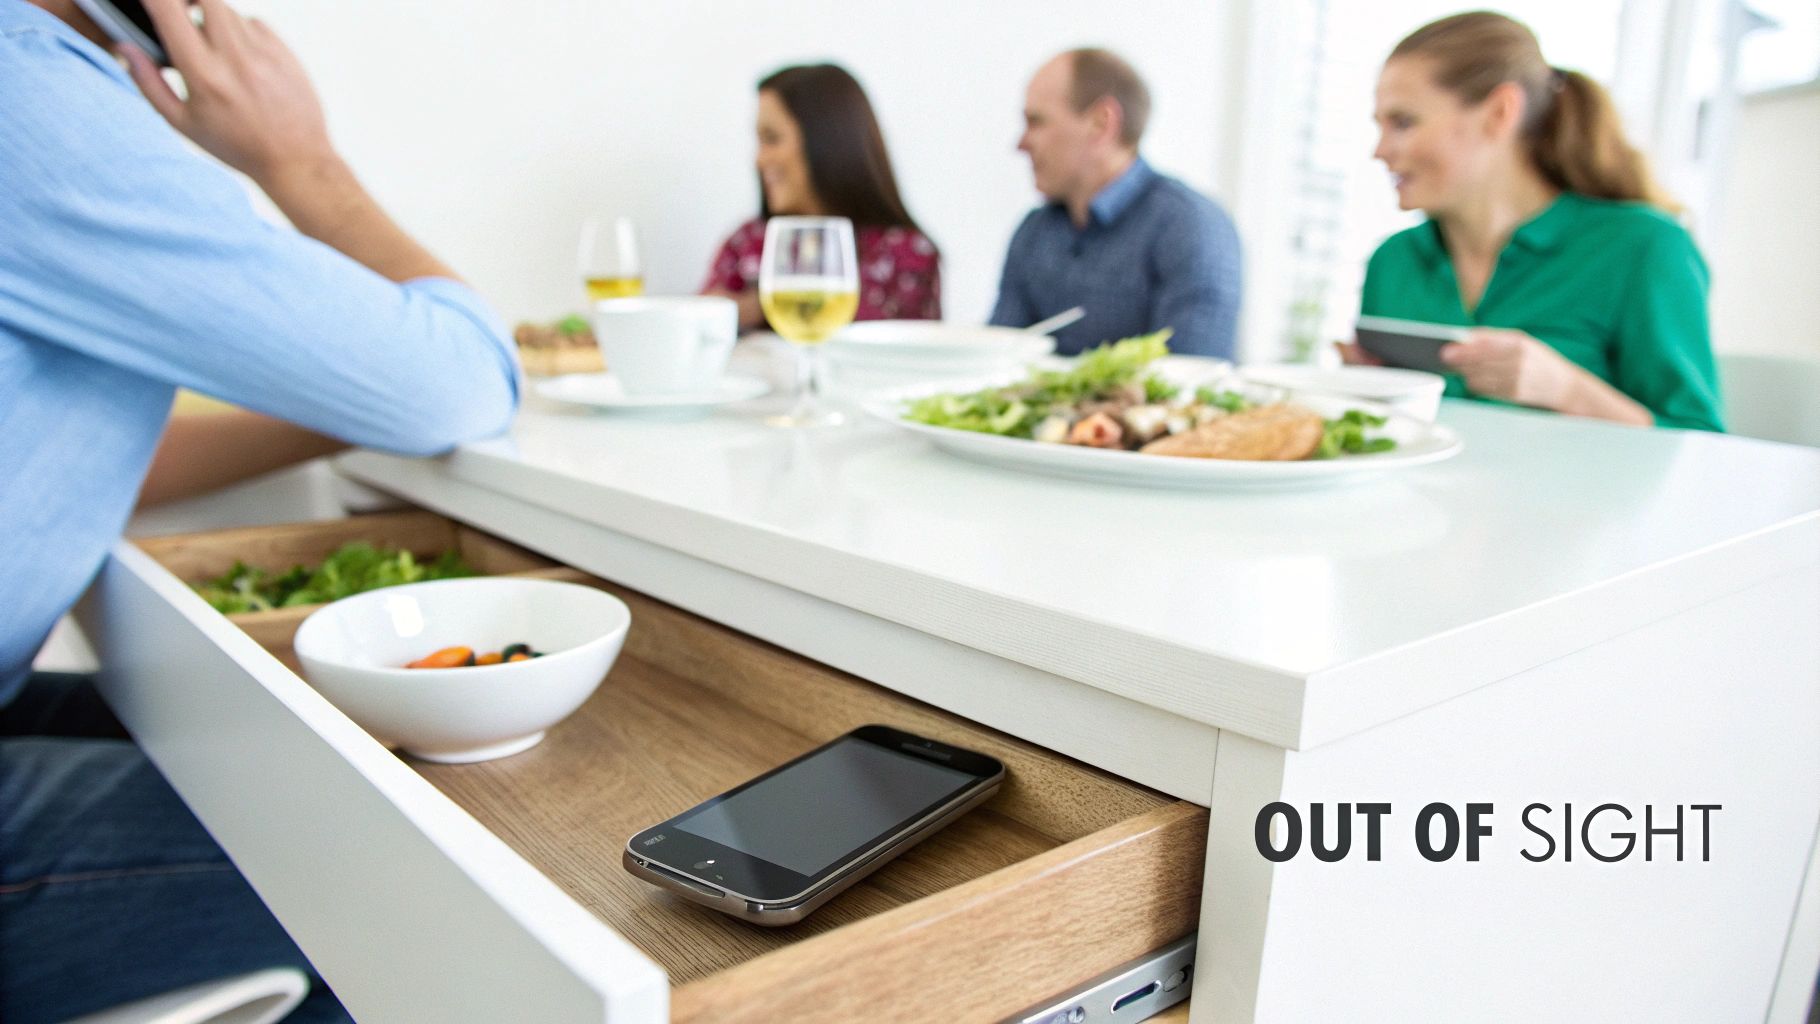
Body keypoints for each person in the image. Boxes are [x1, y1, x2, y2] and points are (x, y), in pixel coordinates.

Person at [0, 0, 522, 1020]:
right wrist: (301, 161)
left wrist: (338, 402)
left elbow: (94, 453)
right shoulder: (30, 87)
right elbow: (465, 381)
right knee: (428, 857)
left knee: (298, 752)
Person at [1343, 11, 1724, 431]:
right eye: (1379, 125)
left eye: (1403, 122)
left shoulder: (1644, 246)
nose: (1379, 150)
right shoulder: (1392, 261)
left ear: (1500, 112)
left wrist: (1568, 391)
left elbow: (1701, 449)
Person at [990, 48, 1242, 360]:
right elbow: (996, 363)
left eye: (1036, 121)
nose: (1021, 143)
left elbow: (1190, 382)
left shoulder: (1193, 227)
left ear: (1100, 123)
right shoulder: (1034, 233)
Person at [702, 63, 941, 331]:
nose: (760, 159)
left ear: (825, 139)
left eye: (772, 138)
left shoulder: (906, 254)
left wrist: (760, 307)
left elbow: (915, 356)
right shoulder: (746, 243)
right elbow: (702, 329)